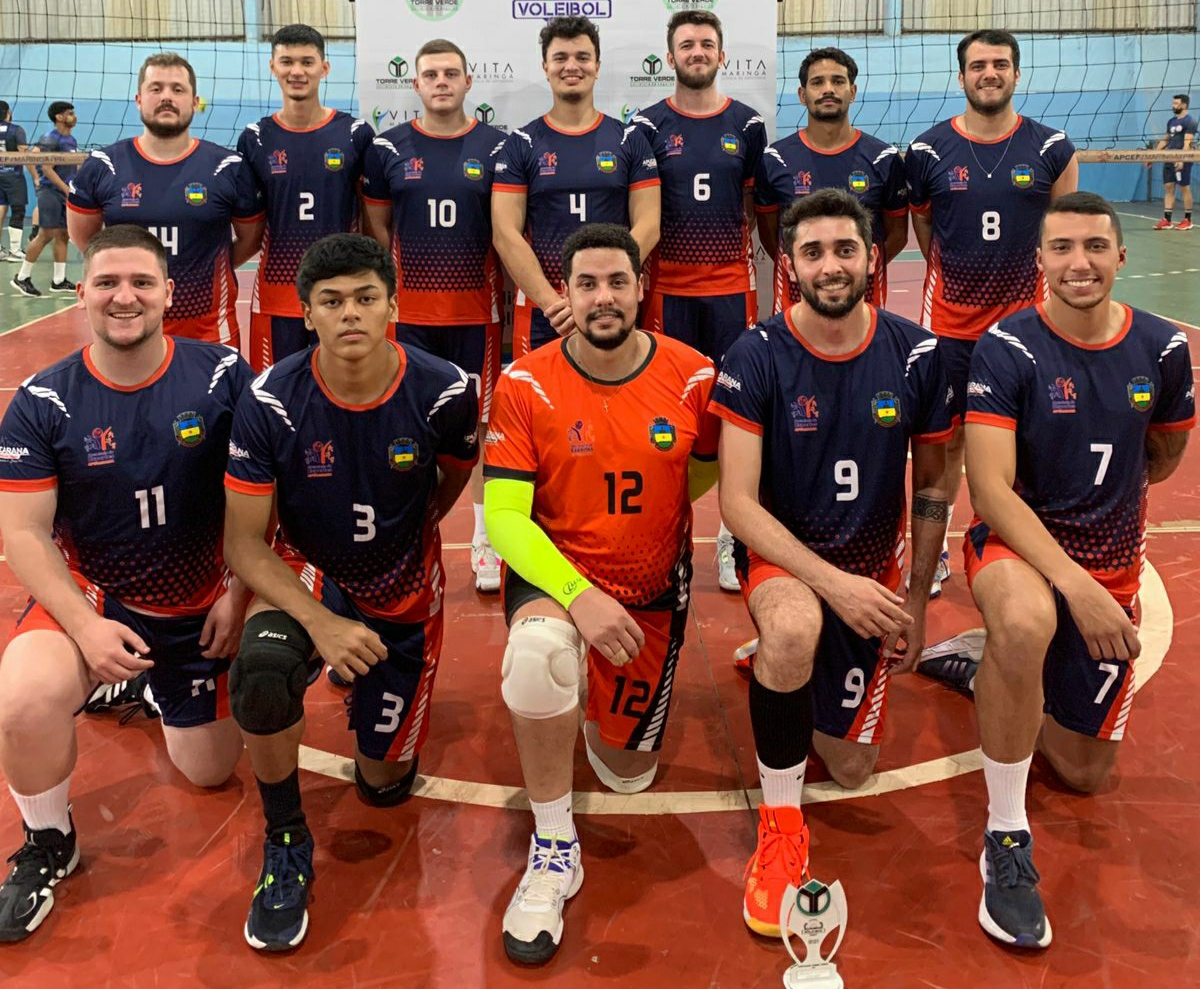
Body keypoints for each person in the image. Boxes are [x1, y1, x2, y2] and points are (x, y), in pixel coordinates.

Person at [222, 233, 478, 951]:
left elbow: (452, 481)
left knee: (383, 784)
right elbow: (243, 541)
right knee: (262, 677)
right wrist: (322, 624)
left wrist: (406, 535)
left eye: (366, 297)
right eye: (332, 302)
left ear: (393, 303)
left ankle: (372, 696)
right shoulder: (271, 398)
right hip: (309, 572)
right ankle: (285, 839)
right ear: (306, 313)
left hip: (401, 583)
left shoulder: (446, 390)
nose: (351, 313)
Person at [952, 192, 1193, 947]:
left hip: (1111, 565)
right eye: (1061, 248)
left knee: (1085, 773)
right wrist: (1078, 585)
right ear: (1040, 261)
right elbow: (989, 488)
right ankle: (1007, 836)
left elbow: (1160, 457)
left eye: (1094, 246)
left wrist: (1098, 577)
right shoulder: (1008, 347)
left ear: (1122, 255)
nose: (1078, 262)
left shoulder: (1161, 349)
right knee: (1026, 619)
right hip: (1015, 551)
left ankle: (989, 674)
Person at [0, 224, 253, 942]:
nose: (124, 295)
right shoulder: (45, 400)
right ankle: (50, 840)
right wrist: (84, 626)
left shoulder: (220, 375)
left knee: (208, 772)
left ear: (171, 294)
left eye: (142, 281)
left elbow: (261, 495)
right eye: (107, 281)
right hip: (101, 602)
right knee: (22, 696)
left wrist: (239, 592)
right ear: (81, 292)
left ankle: (143, 684)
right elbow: (21, 532)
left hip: (204, 607)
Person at [712, 189, 952, 938]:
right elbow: (739, 506)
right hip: (791, 564)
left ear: (874, 257)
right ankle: (781, 824)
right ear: (788, 265)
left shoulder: (917, 353)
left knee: (851, 768)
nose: (831, 265)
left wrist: (911, 599)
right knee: (790, 627)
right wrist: (834, 586)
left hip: (874, 573)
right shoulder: (757, 353)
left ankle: (813, 661)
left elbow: (936, 482)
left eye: (845, 249)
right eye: (812, 252)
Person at [484, 223, 718, 964]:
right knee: (538, 659)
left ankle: (595, 705)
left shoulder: (692, 377)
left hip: (651, 587)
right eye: (586, 284)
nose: (603, 297)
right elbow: (503, 520)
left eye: (618, 281)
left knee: (625, 772)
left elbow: (705, 472)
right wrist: (577, 594)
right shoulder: (524, 383)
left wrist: (657, 512)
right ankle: (555, 844)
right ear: (565, 294)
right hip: (556, 575)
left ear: (642, 287)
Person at [905, 29, 1077, 596]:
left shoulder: (1052, 149)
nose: (989, 73)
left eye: (1000, 64)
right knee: (945, 444)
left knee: (1028, 441)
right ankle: (933, 556)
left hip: (1025, 331)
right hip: (951, 326)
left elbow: (1064, 235)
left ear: (1016, 74)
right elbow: (927, 231)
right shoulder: (929, 151)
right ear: (961, 77)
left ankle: (1015, 544)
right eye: (978, 65)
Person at [630, 9, 767, 593]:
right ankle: (671, 534)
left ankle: (736, 536)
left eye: (706, 44)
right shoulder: (646, 125)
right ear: (670, 57)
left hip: (732, 295)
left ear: (722, 55)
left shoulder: (749, 124)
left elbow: (765, 216)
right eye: (686, 44)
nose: (697, 52)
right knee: (669, 421)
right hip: (668, 295)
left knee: (739, 418)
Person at [362, 38, 506, 593]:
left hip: (477, 316)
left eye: (451, 73)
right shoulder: (387, 149)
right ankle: (398, 536)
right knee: (401, 423)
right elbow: (379, 228)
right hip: (409, 317)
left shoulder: (497, 147)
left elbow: (506, 233)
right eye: (430, 74)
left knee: (481, 427)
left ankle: (486, 538)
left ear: (469, 82)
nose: (441, 81)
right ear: (415, 85)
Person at [68, 53, 265, 348]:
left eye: (177, 89)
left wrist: (207, 264)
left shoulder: (228, 167)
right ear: (138, 99)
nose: (166, 97)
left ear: (194, 101)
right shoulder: (103, 165)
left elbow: (251, 239)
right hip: (129, 330)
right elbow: (86, 241)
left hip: (210, 335)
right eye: (156, 88)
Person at [493, 15, 660, 357]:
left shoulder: (630, 139)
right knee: (542, 408)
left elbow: (649, 224)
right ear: (545, 66)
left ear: (597, 66)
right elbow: (504, 233)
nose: (572, 66)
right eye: (561, 58)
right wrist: (555, 303)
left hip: (610, 306)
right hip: (547, 312)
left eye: (582, 57)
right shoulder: (521, 143)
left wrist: (607, 288)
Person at [237, 23, 374, 372]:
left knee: (347, 387)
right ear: (272, 67)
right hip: (277, 295)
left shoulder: (355, 134)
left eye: (307, 62)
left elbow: (373, 221)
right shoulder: (255, 138)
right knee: (278, 393)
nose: (296, 71)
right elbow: (250, 226)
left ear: (324, 69)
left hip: (342, 293)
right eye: (286, 62)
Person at [755, 47, 908, 312]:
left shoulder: (884, 157)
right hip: (795, 309)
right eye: (817, 82)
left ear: (853, 91)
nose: (828, 89)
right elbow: (773, 238)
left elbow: (896, 236)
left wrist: (852, 266)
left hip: (863, 308)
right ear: (803, 95)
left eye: (838, 81)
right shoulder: (775, 159)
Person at [11, 101, 78, 298]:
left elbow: (72, 165)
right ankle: (22, 277)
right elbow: (45, 167)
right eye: (70, 113)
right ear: (59, 117)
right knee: (45, 234)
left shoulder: (70, 140)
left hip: (63, 192)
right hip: (51, 192)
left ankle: (58, 281)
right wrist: (37, 178)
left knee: (63, 235)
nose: (74, 116)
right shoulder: (50, 139)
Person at [1148, 94, 1196, 230]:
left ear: (1184, 105)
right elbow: (1166, 140)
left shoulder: (1190, 121)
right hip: (1169, 158)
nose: (1173, 106)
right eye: (1173, 103)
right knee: (1168, 187)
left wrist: (1182, 158)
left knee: (1184, 188)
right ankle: (1167, 220)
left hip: (1182, 159)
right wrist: (1153, 156)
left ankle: (1187, 220)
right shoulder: (1171, 121)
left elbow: (1187, 143)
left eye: (1176, 103)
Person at [0, 100, 32, 262]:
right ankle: (14, 250)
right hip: (13, 175)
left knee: (0, 209)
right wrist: (35, 176)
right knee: (18, 210)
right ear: (8, 112)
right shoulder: (16, 130)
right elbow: (24, 155)